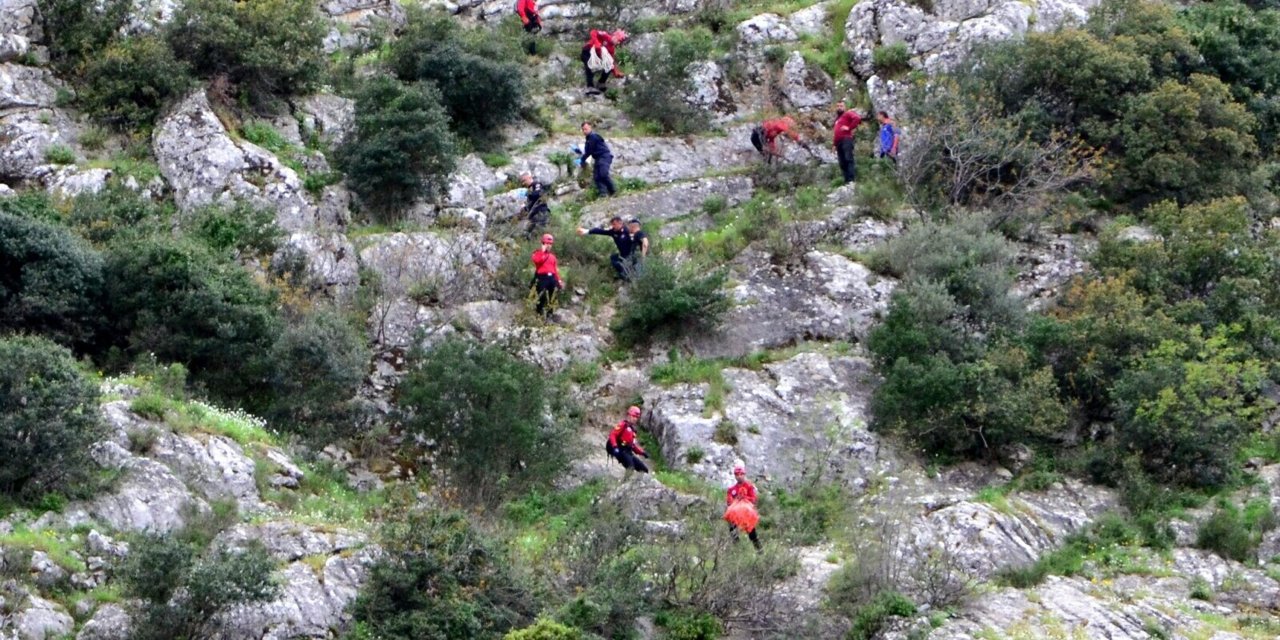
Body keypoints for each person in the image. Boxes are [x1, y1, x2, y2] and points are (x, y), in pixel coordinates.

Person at [606, 406, 650, 480]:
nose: (635, 419)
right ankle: (625, 485)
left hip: (628, 451)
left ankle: (638, 485)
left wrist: (642, 453)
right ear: (629, 415)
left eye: (636, 417)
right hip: (621, 451)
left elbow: (632, 445)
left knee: (644, 469)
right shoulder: (623, 425)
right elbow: (613, 435)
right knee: (630, 467)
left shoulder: (632, 431)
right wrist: (615, 447)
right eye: (633, 416)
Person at [725, 464, 761, 551]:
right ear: (735, 476)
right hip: (736, 514)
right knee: (732, 529)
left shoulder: (749, 487)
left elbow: (753, 499)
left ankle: (759, 551)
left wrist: (744, 497)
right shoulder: (732, 489)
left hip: (746, 514)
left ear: (744, 474)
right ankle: (737, 549)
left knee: (752, 533)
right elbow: (728, 501)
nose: (739, 476)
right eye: (737, 474)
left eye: (741, 474)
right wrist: (736, 499)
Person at [575, 121, 616, 197]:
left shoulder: (593, 137)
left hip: (604, 156)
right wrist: (579, 152)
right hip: (598, 158)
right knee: (597, 177)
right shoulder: (588, 139)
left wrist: (582, 160)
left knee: (603, 174)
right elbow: (587, 150)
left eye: (586, 129)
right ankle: (603, 194)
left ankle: (613, 191)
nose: (584, 131)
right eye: (583, 130)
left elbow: (589, 151)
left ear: (590, 128)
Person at [530, 233, 563, 318]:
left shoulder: (553, 257)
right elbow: (537, 261)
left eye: (550, 244)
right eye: (547, 243)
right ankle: (538, 315)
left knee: (553, 297)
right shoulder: (537, 253)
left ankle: (550, 315)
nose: (549, 246)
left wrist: (559, 280)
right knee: (541, 297)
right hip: (542, 278)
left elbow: (555, 270)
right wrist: (543, 251)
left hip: (552, 278)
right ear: (543, 243)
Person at [833, 104, 863, 184]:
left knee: (848, 158)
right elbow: (836, 133)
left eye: (841, 106)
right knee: (842, 162)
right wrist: (834, 144)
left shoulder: (848, 114)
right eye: (838, 106)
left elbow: (857, 118)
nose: (839, 107)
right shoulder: (837, 119)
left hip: (846, 139)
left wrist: (849, 128)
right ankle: (846, 181)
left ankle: (851, 180)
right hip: (838, 142)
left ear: (845, 107)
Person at [519, 172, 550, 238]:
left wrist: (528, 194)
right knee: (528, 235)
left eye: (524, 180)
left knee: (539, 233)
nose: (523, 183)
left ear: (529, 177)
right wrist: (524, 208)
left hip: (540, 213)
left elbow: (538, 194)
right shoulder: (529, 189)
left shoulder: (536, 184)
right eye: (522, 181)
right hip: (533, 216)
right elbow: (530, 204)